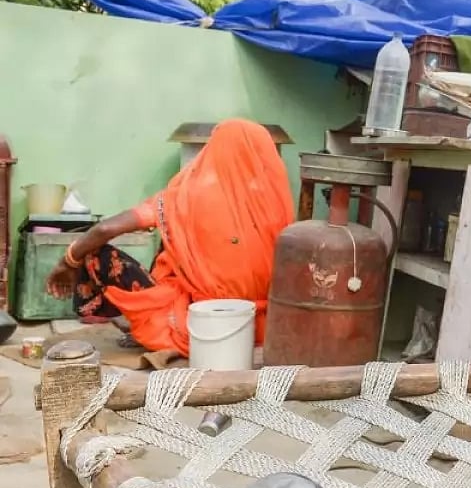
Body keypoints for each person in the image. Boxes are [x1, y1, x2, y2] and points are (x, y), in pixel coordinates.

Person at [45, 119, 293, 355]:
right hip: (255, 327)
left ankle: (146, 323)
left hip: (198, 323)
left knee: (95, 250)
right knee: (174, 242)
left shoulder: (184, 198)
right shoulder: (275, 203)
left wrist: (67, 261)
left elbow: (104, 230)